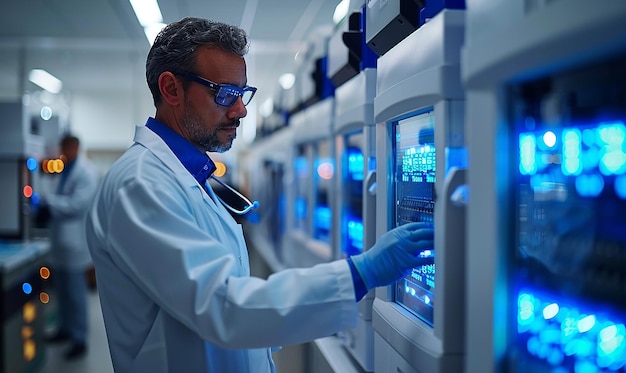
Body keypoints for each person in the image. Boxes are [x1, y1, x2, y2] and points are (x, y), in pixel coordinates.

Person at [85, 17, 434, 373]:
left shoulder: (187, 175)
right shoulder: (140, 184)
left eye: (243, 94)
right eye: (225, 94)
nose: (240, 111)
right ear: (171, 89)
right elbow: (225, 307)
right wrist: (362, 273)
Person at [44, 134, 99, 360]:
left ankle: (79, 338)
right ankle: (65, 329)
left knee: (76, 294)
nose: (63, 150)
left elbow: (78, 204)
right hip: (60, 241)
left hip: (76, 242)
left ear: (75, 146)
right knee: (62, 292)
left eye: (66, 146)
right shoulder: (65, 169)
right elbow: (57, 195)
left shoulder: (86, 171)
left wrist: (50, 205)